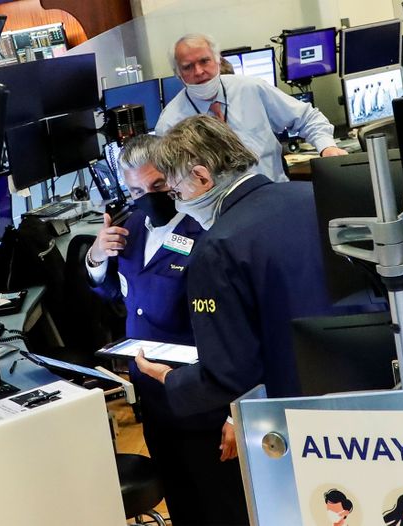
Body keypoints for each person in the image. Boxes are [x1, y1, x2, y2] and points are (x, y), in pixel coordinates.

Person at [136, 115, 333, 441]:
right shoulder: (317, 195)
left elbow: (229, 374)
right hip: (373, 390)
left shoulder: (216, 249)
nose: (179, 204)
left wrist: (170, 379)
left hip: (295, 417)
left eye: (175, 192)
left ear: (201, 177)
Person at [86, 134, 247, 525]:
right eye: (136, 190)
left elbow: (236, 328)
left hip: (204, 398)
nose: (148, 196)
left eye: (157, 186)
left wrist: (234, 413)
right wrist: (96, 255)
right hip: (154, 396)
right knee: (180, 498)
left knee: (222, 504)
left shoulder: (207, 228)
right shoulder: (132, 227)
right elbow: (116, 293)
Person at [156, 33, 347, 183]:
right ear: (177, 73)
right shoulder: (170, 123)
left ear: (217, 60)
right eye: (188, 67)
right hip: (223, 216)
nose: (199, 72)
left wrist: (327, 147)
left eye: (204, 61)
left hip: (276, 195)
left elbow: (307, 118)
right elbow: (175, 182)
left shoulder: (250, 89)